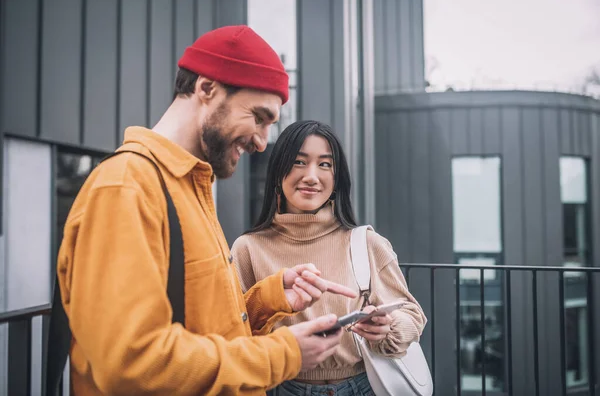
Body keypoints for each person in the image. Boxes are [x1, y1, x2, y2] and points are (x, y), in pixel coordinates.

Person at [55, 26, 358, 395]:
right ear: (206, 88)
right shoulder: (125, 188)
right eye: (258, 117)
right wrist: (284, 352)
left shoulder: (188, 184)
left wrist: (271, 299)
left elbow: (200, 324)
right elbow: (131, 363)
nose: (263, 143)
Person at [232, 120, 427, 396]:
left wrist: (388, 327)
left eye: (325, 165)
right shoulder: (248, 249)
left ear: (337, 179)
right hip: (279, 387)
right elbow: (232, 328)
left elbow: (412, 313)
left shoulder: (365, 242)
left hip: (362, 386)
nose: (312, 176)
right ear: (278, 172)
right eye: (299, 162)